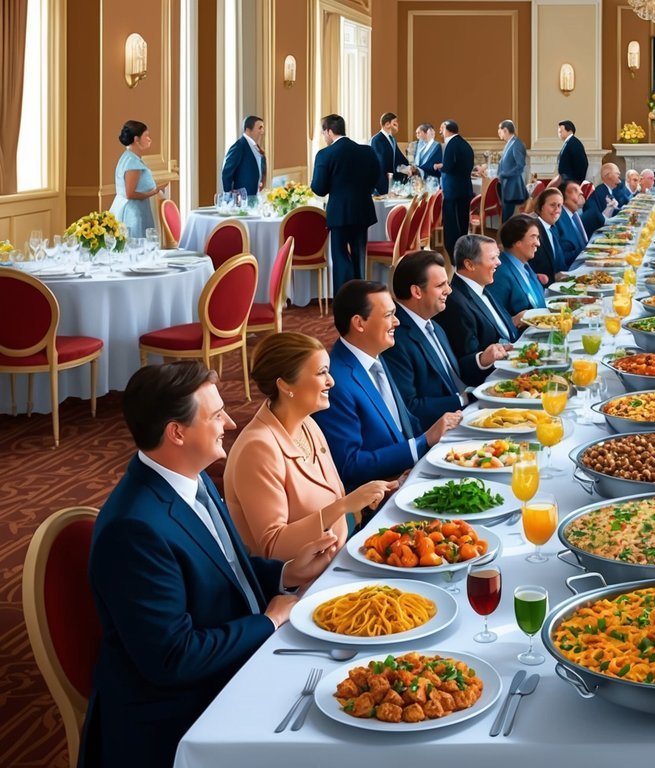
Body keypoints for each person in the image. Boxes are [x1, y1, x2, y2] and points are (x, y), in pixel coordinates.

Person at [82, 361, 337, 768]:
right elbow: (173, 658)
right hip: (179, 714)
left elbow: (224, 570)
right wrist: (269, 622)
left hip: (235, 658)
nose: (231, 422)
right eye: (216, 414)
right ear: (177, 433)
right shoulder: (133, 530)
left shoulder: (192, 476)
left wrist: (286, 572)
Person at [224, 332, 397, 559]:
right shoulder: (257, 449)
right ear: (285, 385)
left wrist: (363, 501)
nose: (331, 381)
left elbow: (334, 503)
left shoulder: (308, 424)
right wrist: (345, 505)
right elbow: (273, 547)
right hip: (304, 583)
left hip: (341, 554)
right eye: (321, 373)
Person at [312, 280, 464, 489]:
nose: (397, 322)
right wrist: (422, 442)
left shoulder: (375, 356)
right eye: (388, 315)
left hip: (411, 474)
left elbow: (404, 423)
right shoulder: (336, 382)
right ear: (359, 323)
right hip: (382, 496)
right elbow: (349, 466)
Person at [383, 250, 489, 425]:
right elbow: (410, 407)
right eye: (440, 285)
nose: (449, 290)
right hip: (445, 426)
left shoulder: (434, 324)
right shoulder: (395, 337)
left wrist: (483, 359)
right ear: (417, 291)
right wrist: (463, 400)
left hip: (468, 411)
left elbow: (451, 375)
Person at [310, 114, 380, 291]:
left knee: (340, 256)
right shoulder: (367, 151)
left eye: (323, 133)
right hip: (362, 209)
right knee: (359, 254)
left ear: (329, 131)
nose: (323, 136)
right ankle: (361, 294)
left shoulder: (325, 154)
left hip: (339, 212)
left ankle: (343, 297)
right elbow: (376, 179)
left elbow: (319, 188)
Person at [441, 235, 520, 381]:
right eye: (492, 258)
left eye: (498, 256)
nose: (499, 262)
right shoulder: (456, 304)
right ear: (470, 265)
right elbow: (468, 365)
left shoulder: (481, 285)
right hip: (497, 379)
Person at [109, 120, 169, 238]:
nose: (149, 139)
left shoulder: (128, 157)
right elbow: (130, 194)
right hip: (134, 214)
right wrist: (155, 191)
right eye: (146, 136)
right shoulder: (133, 163)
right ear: (137, 139)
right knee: (138, 246)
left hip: (133, 209)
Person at [490, 213, 548, 324]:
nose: (538, 243)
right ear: (517, 242)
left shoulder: (523, 265)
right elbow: (496, 321)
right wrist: (514, 320)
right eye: (533, 237)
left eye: (537, 237)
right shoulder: (500, 273)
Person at [439, 120, 475, 256]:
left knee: (452, 224)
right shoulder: (465, 144)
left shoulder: (451, 145)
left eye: (441, 128)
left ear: (447, 129)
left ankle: (453, 251)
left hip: (452, 192)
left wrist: (440, 167)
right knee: (462, 221)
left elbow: (448, 167)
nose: (440, 132)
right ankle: (463, 248)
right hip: (465, 188)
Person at [220, 115, 266, 197]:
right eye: (260, 128)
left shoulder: (256, 148)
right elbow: (226, 172)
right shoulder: (239, 146)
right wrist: (229, 194)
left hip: (254, 196)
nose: (262, 131)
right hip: (242, 199)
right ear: (248, 130)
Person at [531, 186, 567, 280]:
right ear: (542, 206)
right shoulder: (533, 229)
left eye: (559, 206)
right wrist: (553, 278)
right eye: (552, 205)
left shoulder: (553, 228)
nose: (557, 210)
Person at [496, 119, 529, 221]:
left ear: (505, 130)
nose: (498, 132)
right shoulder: (510, 143)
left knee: (507, 218)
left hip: (512, 187)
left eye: (499, 130)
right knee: (506, 217)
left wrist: (503, 174)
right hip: (507, 186)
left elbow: (520, 166)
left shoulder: (517, 144)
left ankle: (505, 236)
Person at [369, 112, 409, 194]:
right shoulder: (377, 140)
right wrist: (384, 188)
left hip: (392, 182)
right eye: (395, 123)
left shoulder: (392, 140)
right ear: (387, 124)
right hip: (382, 184)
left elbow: (399, 157)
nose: (397, 125)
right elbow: (380, 164)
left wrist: (409, 167)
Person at [557, 178, 591, 264]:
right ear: (562, 197)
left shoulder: (575, 214)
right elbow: (560, 256)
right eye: (575, 190)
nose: (581, 192)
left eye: (579, 189)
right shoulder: (558, 219)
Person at [584, 163, 623, 233]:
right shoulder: (600, 191)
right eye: (617, 174)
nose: (619, 177)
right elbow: (604, 219)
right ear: (608, 176)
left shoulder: (612, 190)